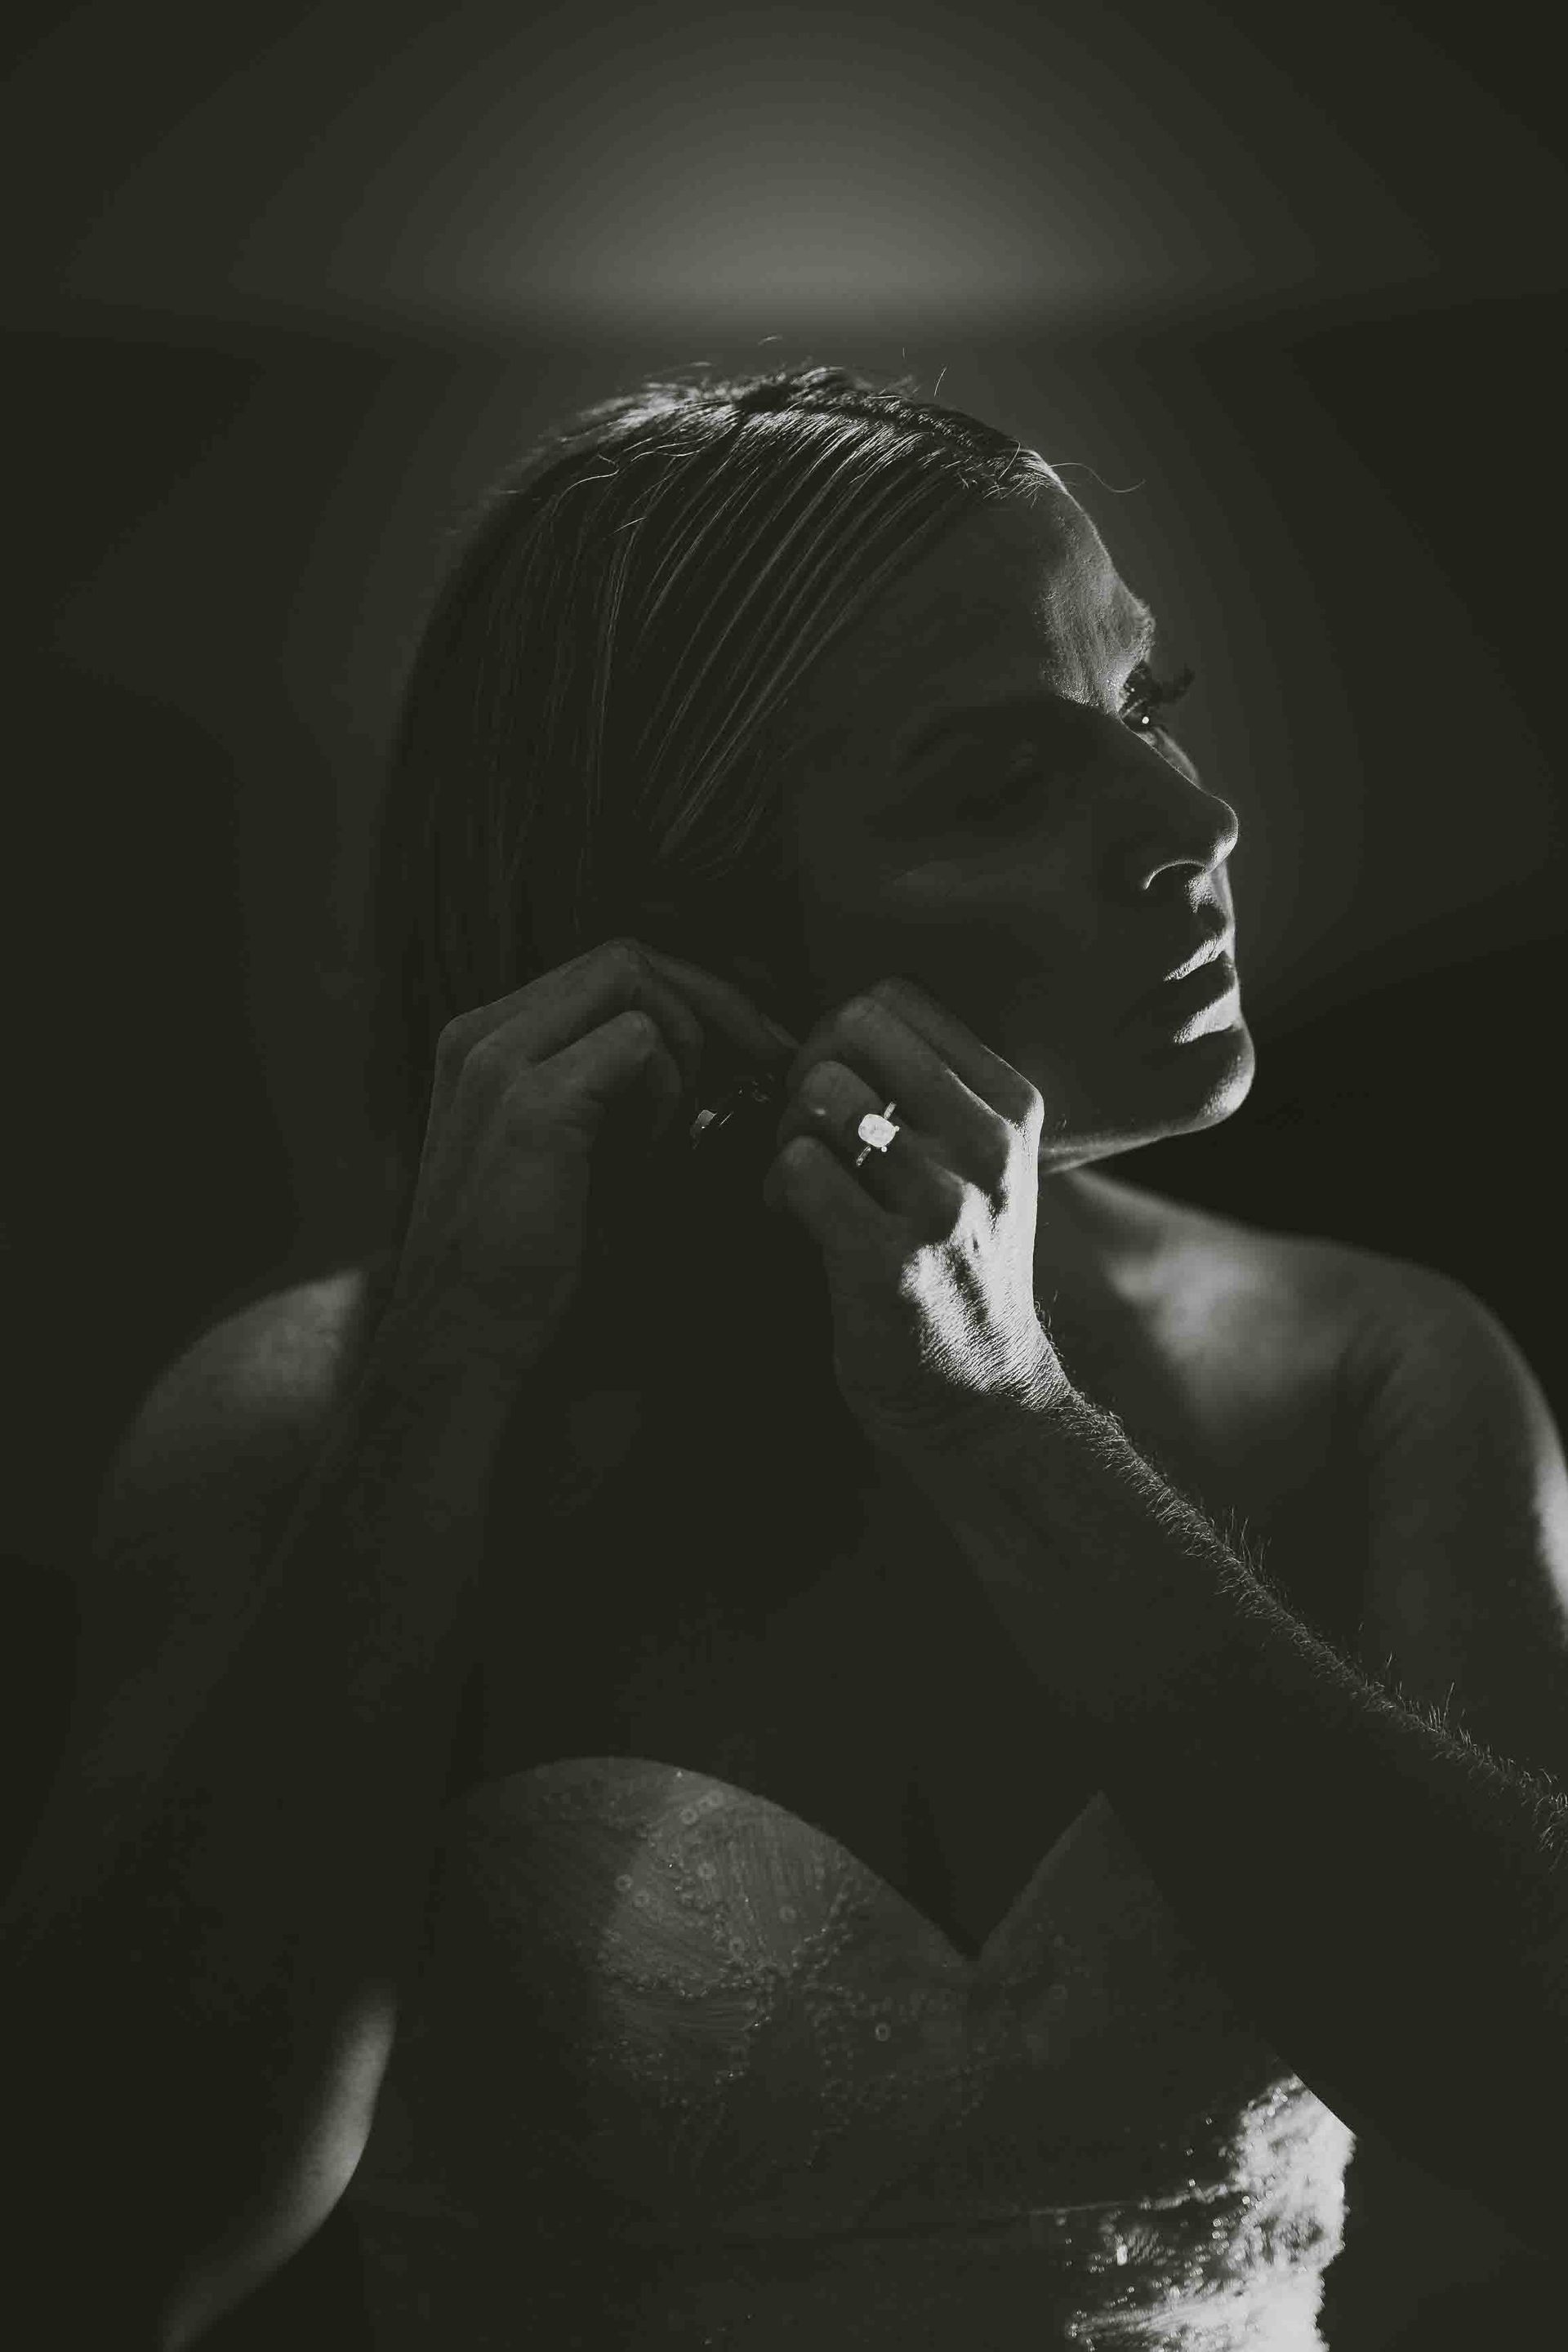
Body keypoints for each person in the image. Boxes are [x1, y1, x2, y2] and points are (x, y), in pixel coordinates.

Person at [6, 363, 1566, 2350]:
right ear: (676, 923)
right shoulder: (298, 1424)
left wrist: (1008, 1424)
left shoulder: (1372, 1373)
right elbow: (91, 2253)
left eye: (1145, 706)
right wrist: (443, 1383)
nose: (1196, 821)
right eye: (1003, 784)